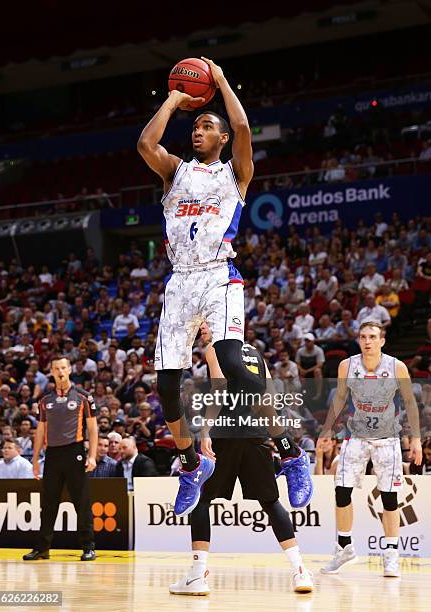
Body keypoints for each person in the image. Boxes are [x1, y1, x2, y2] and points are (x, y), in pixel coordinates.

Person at [137, 57, 266, 516]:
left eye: (207, 126)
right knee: (167, 385)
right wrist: (175, 98)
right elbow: (145, 143)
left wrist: (220, 80)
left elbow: (244, 124)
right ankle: (191, 461)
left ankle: (287, 448)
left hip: (218, 275)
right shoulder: (176, 171)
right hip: (179, 282)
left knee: (231, 360)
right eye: (196, 127)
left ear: (223, 138)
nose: (198, 131)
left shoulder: (235, 173)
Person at [169, 323, 313, 596]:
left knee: (201, 499)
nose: (203, 334)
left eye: (206, 328)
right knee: (271, 502)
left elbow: (219, 389)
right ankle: (300, 571)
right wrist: (276, 435)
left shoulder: (215, 348)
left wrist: (206, 429)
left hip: (226, 433)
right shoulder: (255, 352)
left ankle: (198, 575)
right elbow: (269, 397)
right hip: (256, 432)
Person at [317, 322, 422, 577]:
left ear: (382, 341)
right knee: (341, 492)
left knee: (389, 499)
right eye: (363, 337)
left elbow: (409, 402)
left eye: (373, 337)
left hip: (388, 438)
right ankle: (344, 548)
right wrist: (327, 429)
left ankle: (391, 555)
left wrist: (416, 439)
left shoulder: (396, 367)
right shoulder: (348, 366)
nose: (367, 341)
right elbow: (340, 398)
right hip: (356, 437)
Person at [23, 356, 98, 562]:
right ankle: (42, 548)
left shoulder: (83, 396)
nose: (60, 371)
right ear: (52, 372)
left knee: (81, 502)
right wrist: (36, 459)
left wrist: (92, 456)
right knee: (48, 504)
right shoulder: (45, 400)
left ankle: (88, 547)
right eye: (56, 368)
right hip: (53, 454)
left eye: (63, 367)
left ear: (70, 369)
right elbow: (40, 432)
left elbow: (92, 428)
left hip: (75, 452)